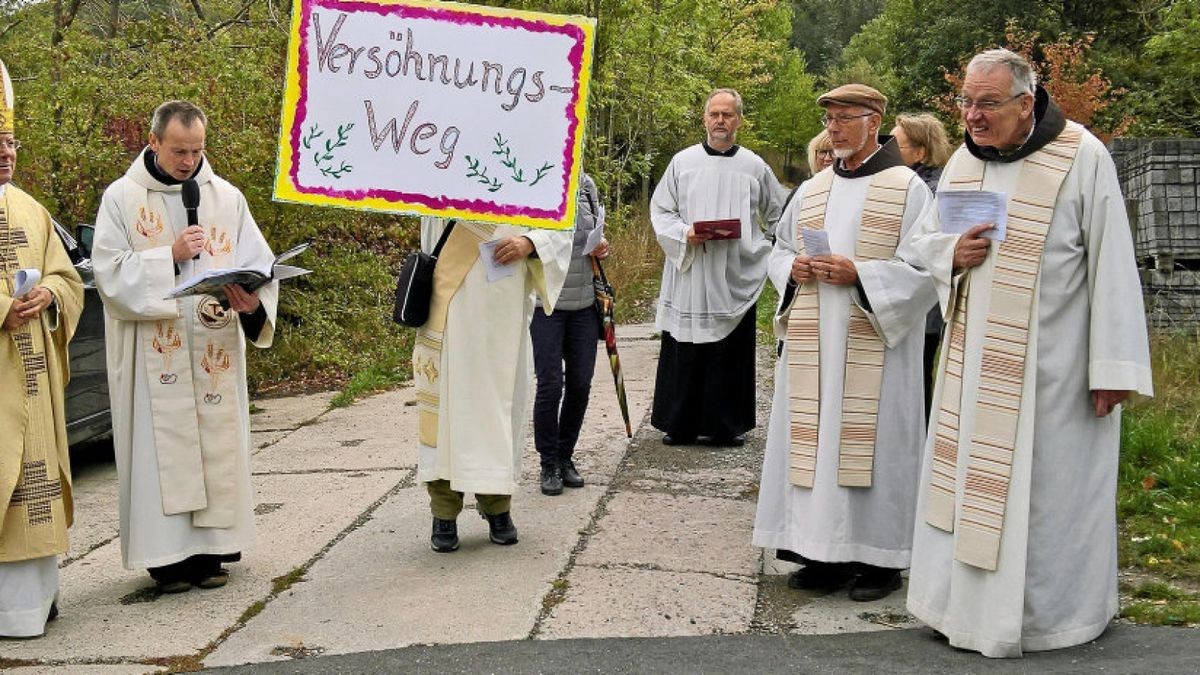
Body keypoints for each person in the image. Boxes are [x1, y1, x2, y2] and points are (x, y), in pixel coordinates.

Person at [903, 49, 1153, 657]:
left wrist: (1113, 367)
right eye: (965, 101)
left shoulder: (1082, 156)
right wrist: (948, 255)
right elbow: (925, 241)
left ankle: (1052, 619)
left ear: (1026, 102)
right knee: (965, 489)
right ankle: (958, 611)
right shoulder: (963, 159)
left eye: (987, 103)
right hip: (970, 364)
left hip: (1053, 372)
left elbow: (1114, 264)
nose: (973, 115)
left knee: (1046, 500)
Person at [751, 84, 936, 602]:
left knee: (872, 449)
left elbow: (925, 271)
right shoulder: (813, 189)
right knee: (814, 445)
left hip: (874, 345)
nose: (831, 129)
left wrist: (862, 275)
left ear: (873, 121)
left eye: (842, 119)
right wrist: (794, 268)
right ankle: (820, 554)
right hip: (814, 340)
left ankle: (880, 561)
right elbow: (777, 250)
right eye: (829, 119)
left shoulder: (908, 189)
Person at [93, 100, 279, 593]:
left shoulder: (226, 197)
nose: (188, 162)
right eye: (179, 151)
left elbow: (260, 264)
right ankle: (167, 560)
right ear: (153, 142)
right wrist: (168, 257)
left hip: (212, 344)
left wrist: (250, 301)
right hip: (157, 350)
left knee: (215, 445)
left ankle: (213, 551)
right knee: (161, 450)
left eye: (197, 151)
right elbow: (108, 275)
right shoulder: (121, 198)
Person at [417, 216, 571, 552]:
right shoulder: (433, 164)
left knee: (497, 409)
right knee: (446, 415)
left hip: (501, 311)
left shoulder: (529, 168)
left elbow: (560, 229)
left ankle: (497, 506)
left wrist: (530, 243)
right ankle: (444, 512)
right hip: (447, 307)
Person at [0, 58, 85, 638]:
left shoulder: (31, 209)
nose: (7, 152)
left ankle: (33, 605)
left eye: (10, 141)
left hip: (32, 376)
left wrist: (50, 296)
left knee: (34, 489)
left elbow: (68, 276)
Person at [649, 87, 785, 447]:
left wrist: (765, 247)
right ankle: (680, 424)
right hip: (691, 268)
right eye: (715, 114)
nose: (721, 121)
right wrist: (683, 234)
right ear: (705, 118)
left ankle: (726, 425)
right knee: (685, 346)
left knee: (730, 349)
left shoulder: (754, 166)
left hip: (733, 270)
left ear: (739, 120)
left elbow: (779, 212)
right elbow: (662, 209)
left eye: (728, 114)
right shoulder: (683, 162)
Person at [531, 172, 608, 496]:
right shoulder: (531, 181)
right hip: (545, 304)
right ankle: (548, 463)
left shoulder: (586, 185)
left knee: (580, 383)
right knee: (550, 384)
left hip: (584, 304)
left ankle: (565, 457)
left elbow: (596, 234)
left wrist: (602, 245)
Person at [890, 113, 954, 420]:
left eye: (896, 145)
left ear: (921, 151)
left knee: (915, 380)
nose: (887, 151)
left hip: (921, 306)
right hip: (897, 297)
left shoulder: (930, 190)